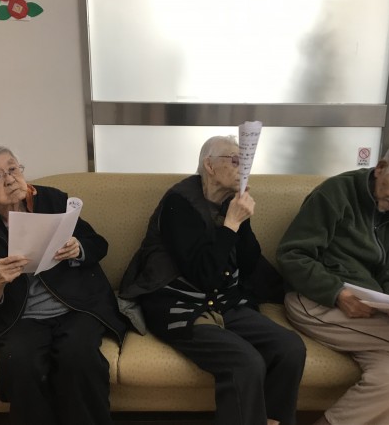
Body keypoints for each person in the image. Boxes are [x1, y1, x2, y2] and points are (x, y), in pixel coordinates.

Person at [119, 135, 306, 425]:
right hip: (178, 304)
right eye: (236, 160)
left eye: (246, 161)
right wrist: (230, 225)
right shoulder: (178, 204)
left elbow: (248, 264)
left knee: (290, 348)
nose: (243, 168)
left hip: (222, 301)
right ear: (209, 165)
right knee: (246, 362)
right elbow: (203, 274)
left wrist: (241, 222)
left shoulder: (230, 203)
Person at [0, 141, 127, 425]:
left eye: (13, 169)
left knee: (78, 357)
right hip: (20, 318)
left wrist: (78, 248)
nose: (10, 180)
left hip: (76, 306)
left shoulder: (52, 200)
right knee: (20, 364)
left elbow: (98, 244)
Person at [277, 140, 389, 425]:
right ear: (381, 168)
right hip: (315, 301)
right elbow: (292, 255)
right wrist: (337, 292)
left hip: (368, 310)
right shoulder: (336, 193)